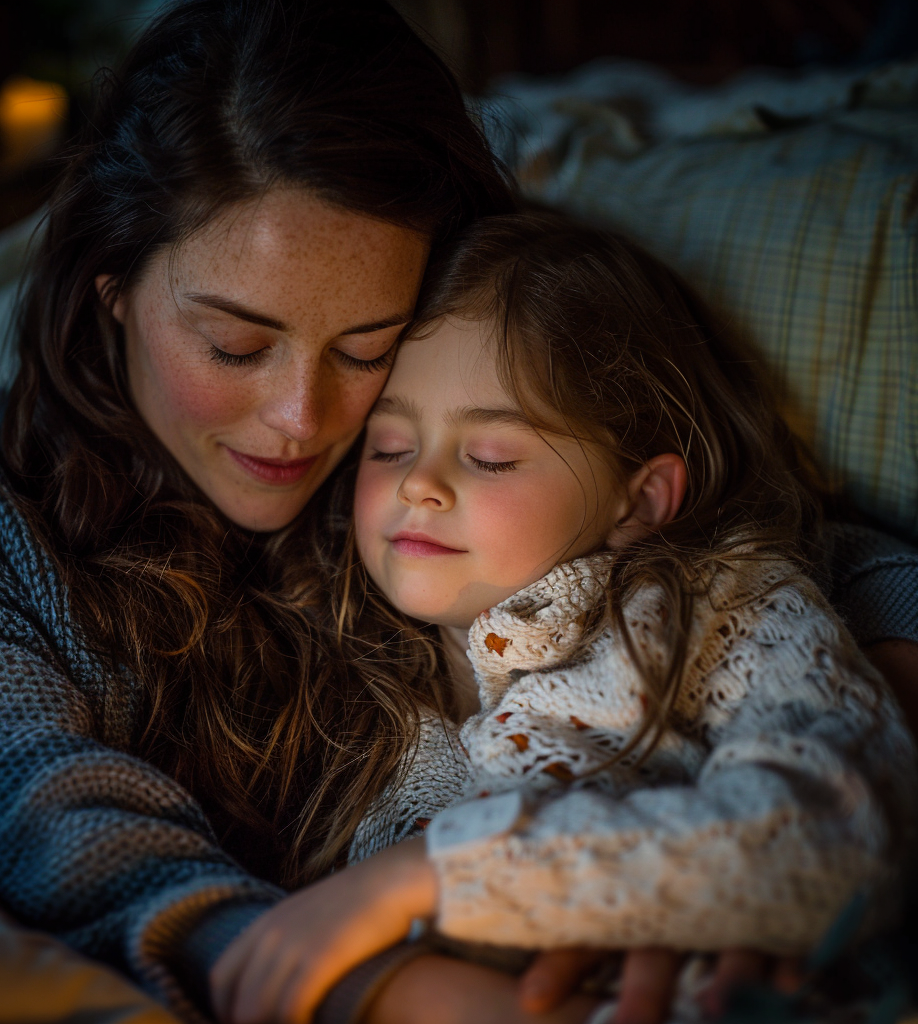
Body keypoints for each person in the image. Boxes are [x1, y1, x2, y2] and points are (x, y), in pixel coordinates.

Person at [0, 3, 916, 1024]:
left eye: (364, 348)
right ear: (113, 288)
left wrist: (725, 858)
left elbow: (766, 561)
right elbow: (66, 835)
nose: (303, 424)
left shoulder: (413, 477)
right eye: (236, 347)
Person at [210, 214, 918, 1024]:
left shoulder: (719, 610)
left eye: (491, 458)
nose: (420, 485)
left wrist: (428, 877)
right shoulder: (341, 665)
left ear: (639, 497)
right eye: (390, 444)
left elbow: (839, 829)